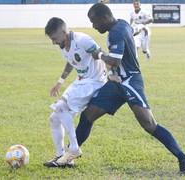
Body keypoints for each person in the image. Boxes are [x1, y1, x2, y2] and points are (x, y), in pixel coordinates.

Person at [58, 3, 185, 174]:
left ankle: (184, 157)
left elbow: (114, 61)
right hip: (116, 83)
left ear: (104, 18)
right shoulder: (122, 24)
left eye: (95, 22)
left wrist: (98, 54)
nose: (94, 26)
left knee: (149, 124)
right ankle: (69, 155)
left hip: (130, 81)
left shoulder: (117, 31)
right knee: (88, 115)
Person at [43, 17, 107, 167]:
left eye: (54, 38)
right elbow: (71, 61)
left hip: (94, 82)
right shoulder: (64, 46)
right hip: (81, 81)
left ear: (64, 32)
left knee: (60, 107)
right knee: (54, 118)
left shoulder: (83, 40)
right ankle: (61, 157)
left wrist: (111, 74)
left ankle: (74, 148)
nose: (53, 42)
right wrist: (60, 81)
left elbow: (101, 54)